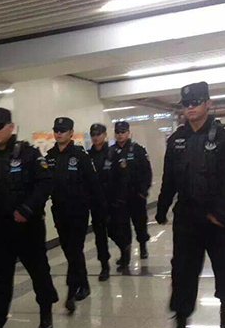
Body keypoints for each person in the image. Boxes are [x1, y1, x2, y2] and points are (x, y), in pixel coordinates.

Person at [156, 82, 225, 328]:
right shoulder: (177, 139)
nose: (190, 107)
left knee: (224, 267)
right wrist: (162, 207)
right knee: (182, 271)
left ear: (208, 104)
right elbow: (169, 178)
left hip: (218, 219)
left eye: (196, 102)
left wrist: (219, 212)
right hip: (187, 217)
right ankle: (180, 326)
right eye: (186, 103)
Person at [0, 108, 59, 328]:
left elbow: (45, 184)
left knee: (39, 272)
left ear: (11, 127)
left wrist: (26, 209)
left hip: (27, 229)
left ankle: (46, 312)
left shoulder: (28, 154)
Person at [46, 117, 106, 313]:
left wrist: (100, 210)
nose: (59, 133)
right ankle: (83, 283)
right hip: (59, 211)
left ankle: (72, 290)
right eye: (56, 130)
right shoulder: (50, 157)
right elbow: (44, 185)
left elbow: (94, 184)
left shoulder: (80, 156)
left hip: (79, 210)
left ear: (71, 133)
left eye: (63, 130)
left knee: (75, 248)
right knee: (69, 249)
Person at [106, 121, 152, 273]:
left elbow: (147, 172)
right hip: (120, 199)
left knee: (140, 224)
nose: (120, 135)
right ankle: (125, 256)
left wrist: (143, 192)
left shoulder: (138, 150)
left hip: (136, 197)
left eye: (123, 132)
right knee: (122, 229)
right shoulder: (111, 152)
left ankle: (143, 246)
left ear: (128, 132)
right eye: (117, 132)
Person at [88, 123, 112, 281]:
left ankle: (125, 251)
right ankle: (104, 265)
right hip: (96, 202)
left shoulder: (112, 153)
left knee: (117, 232)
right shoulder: (87, 156)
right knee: (100, 236)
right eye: (93, 134)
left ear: (104, 134)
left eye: (98, 134)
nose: (95, 137)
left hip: (112, 200)